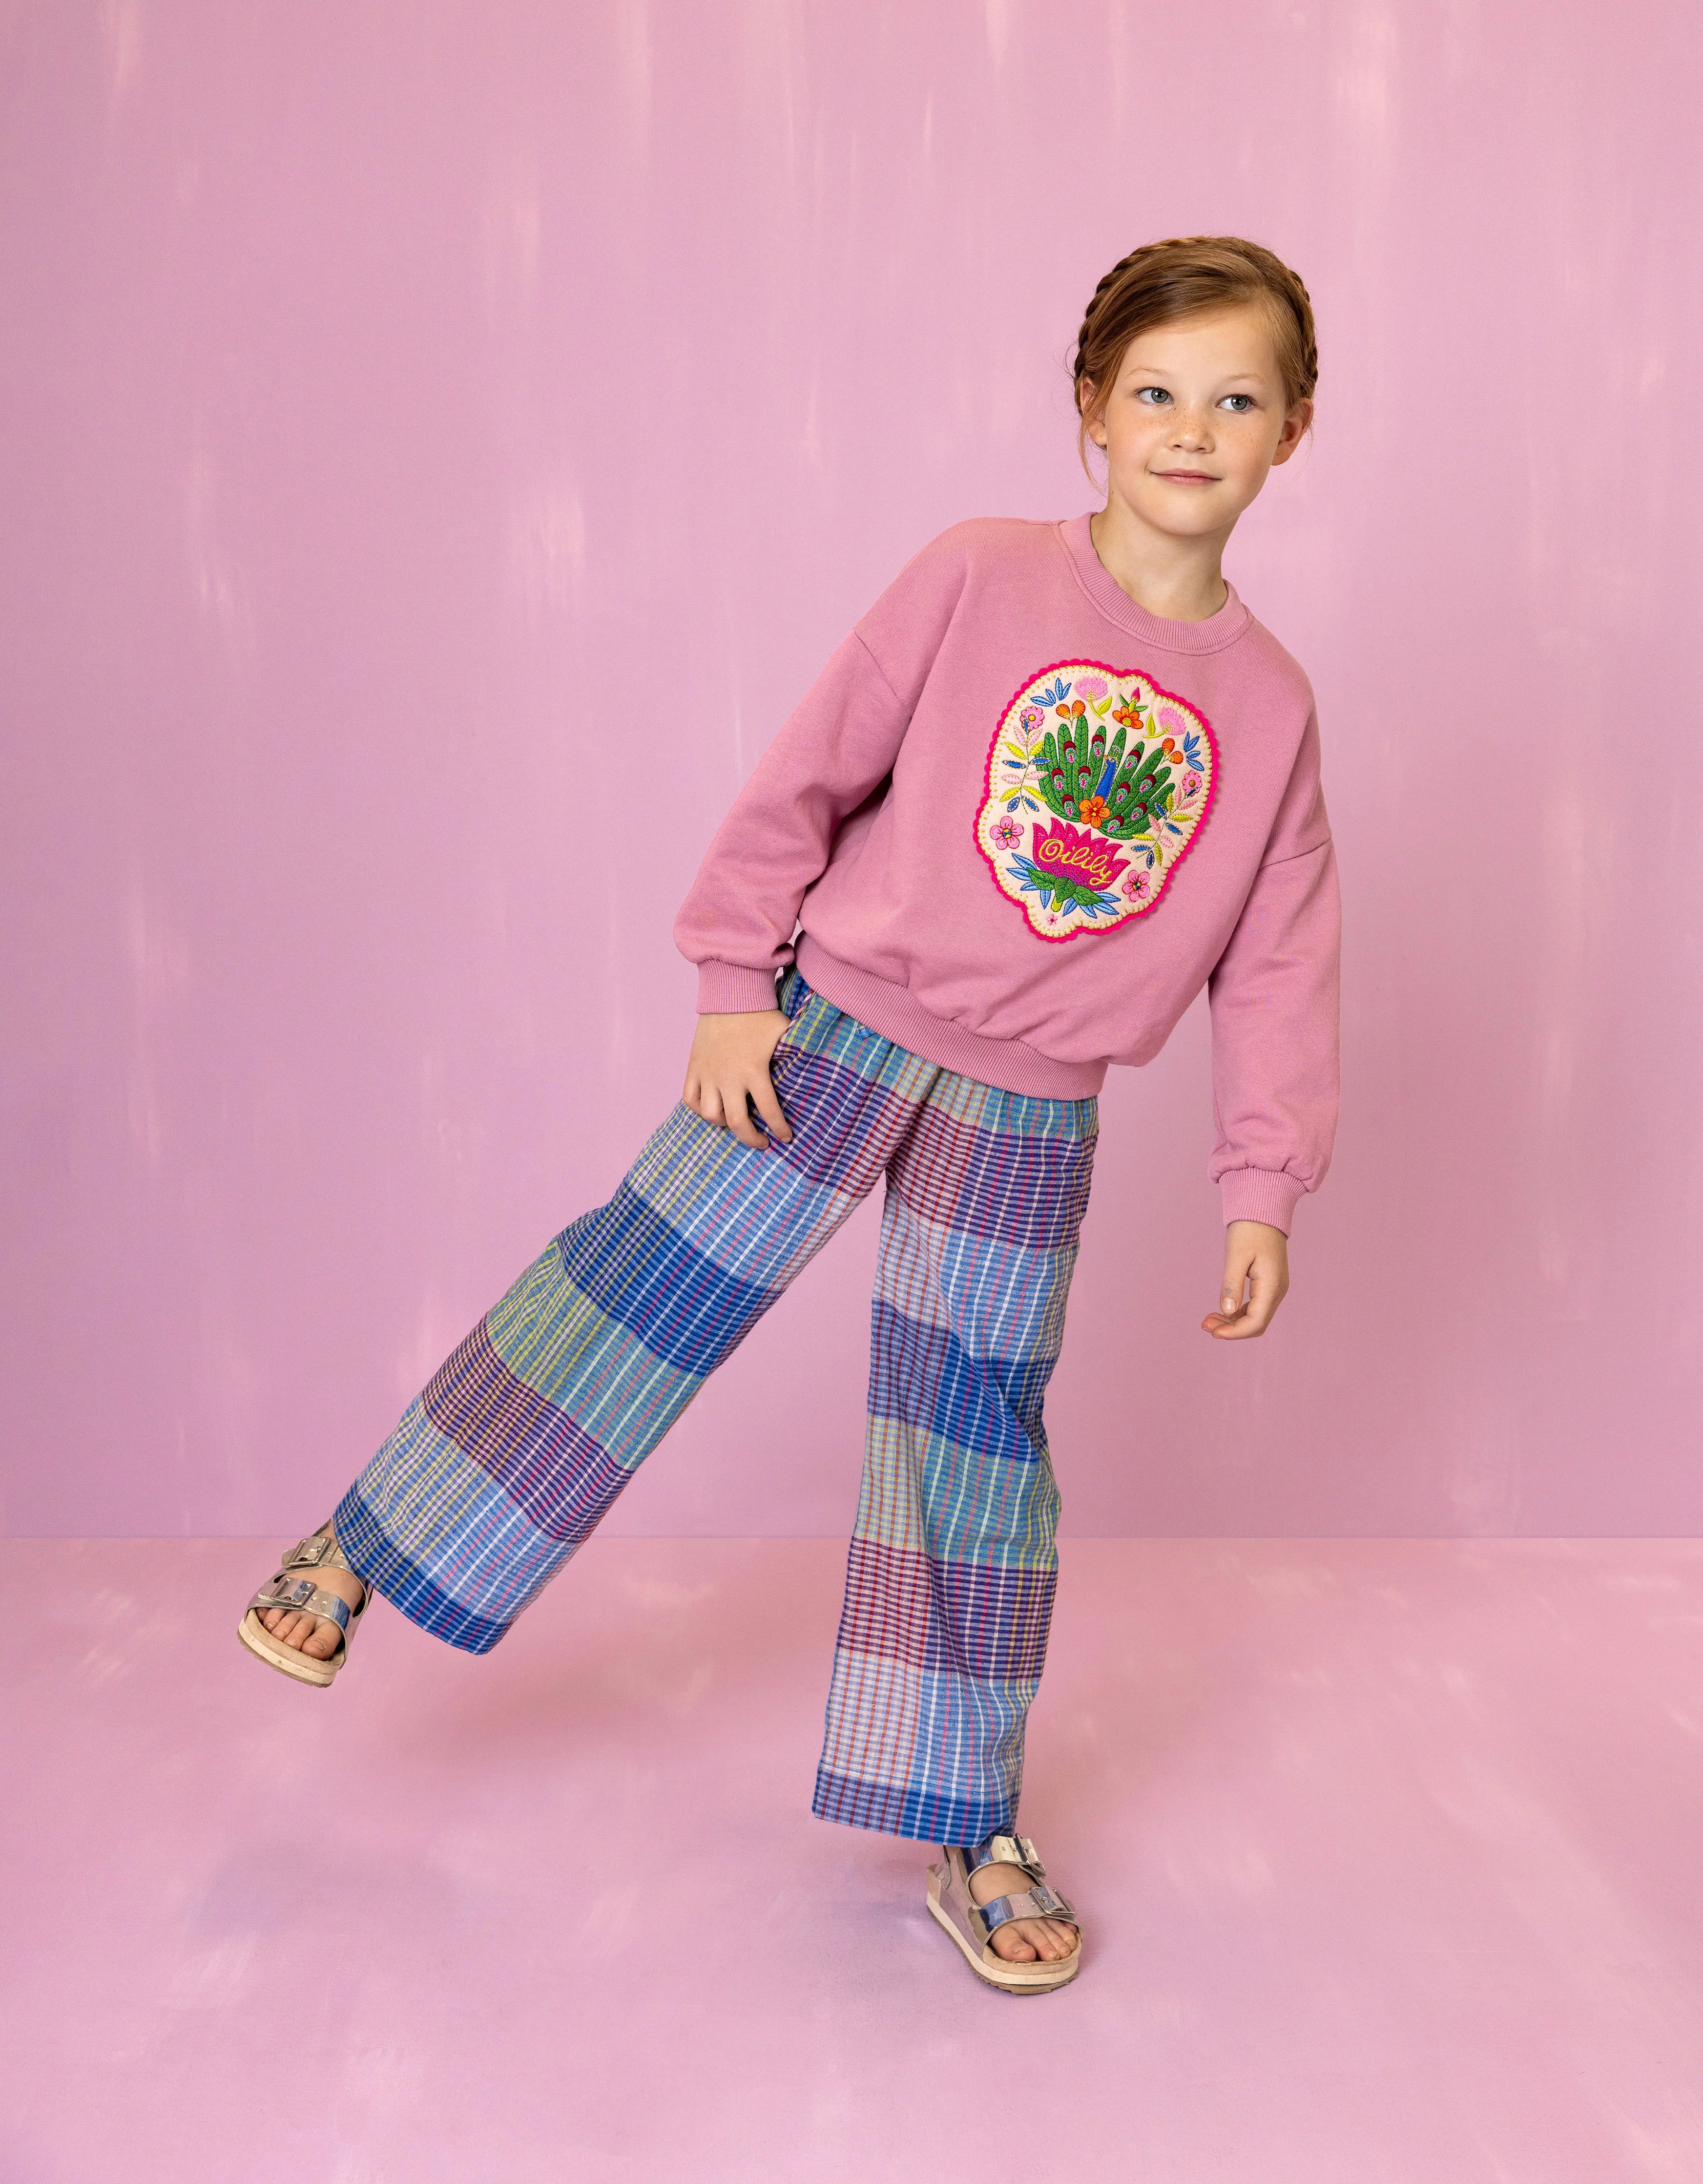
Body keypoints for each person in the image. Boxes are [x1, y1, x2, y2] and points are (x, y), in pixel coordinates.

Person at [237, 235, 1340, 1997]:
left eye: (1234, 398)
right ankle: (365, 1547)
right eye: (1155, 392)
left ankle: (970, 1823)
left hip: (1030, 1113)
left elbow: (1281, 957)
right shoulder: (980, 575)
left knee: (974, 1442)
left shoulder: (1270, 706)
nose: (1191, 429)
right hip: (823, 1034)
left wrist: (1262, 1181)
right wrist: (730, 980)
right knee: (635, 1293)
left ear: (1294, 428)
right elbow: (809, 773)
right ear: (1091, 410)